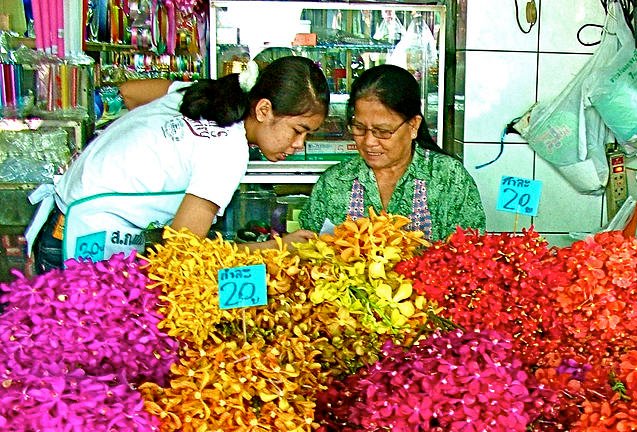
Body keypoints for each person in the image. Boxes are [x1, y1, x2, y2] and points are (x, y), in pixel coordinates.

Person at [28, 55, 329, 272]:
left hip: (63, 217)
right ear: (264, 109)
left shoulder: (206, 95)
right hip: (83, 240)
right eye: (298, 130)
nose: (299, 144)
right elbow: (181, 251)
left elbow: (130, 93)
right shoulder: (227, 150)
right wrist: (276, 249)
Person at [302, 64, 485, 241]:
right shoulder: (333, 183)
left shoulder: (449, 178)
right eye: (359, 128)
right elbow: (309, 253)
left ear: (413, 126)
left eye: (383, 131)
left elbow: (469, 255)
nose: (369, 142)